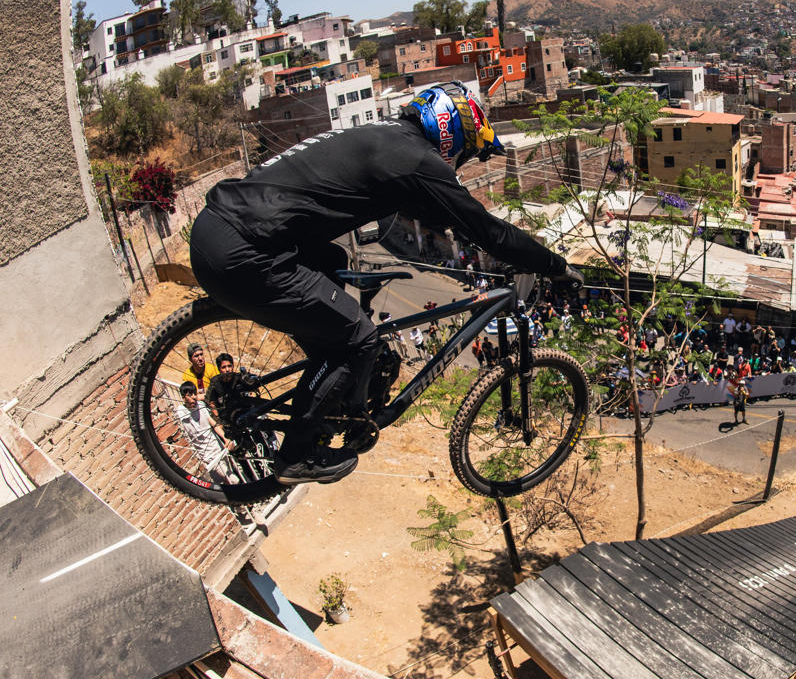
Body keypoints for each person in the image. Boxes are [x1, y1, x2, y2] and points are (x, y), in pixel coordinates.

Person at [189, 81, 582, 485]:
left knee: (334, 264)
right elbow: (490, 233)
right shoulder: (416, 160)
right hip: (245, 254)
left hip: (219, 232)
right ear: (452, 134)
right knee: (358, 339)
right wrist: (555, 265)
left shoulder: (386, 137)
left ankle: (334, 389)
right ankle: (295, 455)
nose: (459, 164)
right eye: (465, 152)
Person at [174, 381, 235, 473]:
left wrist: (226, 438)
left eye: (195, 394)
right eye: (190, 395)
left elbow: (214, 424)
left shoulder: (201, 406)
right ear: (183, 398)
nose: (194, 397)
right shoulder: (180, 413)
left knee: (237, 471)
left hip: (219, 447)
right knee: (231, 479)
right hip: (207, 456)